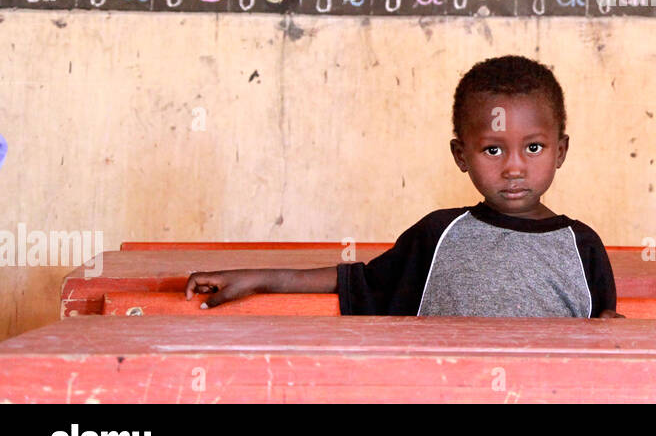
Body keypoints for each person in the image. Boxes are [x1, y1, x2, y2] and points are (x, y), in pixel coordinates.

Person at [185, 55, 620, 318]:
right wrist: (259, 278)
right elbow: (359, 283)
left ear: (560, 151)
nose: (512, 167)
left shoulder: (582, 247)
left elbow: (605, 338)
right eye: (492, 150)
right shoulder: (438, 236)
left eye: (533, 147)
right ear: (460, 156)